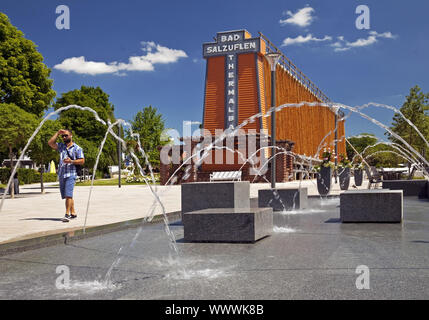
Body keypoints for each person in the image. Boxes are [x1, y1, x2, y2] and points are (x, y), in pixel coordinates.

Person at [48, 129, 85, 222]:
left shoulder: (77, 148)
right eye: (63, 136)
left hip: (71, 174)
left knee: (68, 194)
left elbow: (82, 160)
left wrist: (71, 161)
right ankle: (73, 212)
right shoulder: (61, 146)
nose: (64, 137)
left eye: (66, 135)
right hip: (62, 174)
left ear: (71, 135)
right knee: (67, 195)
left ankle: (67, 214)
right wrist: (57, 133)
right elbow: (50, 143)